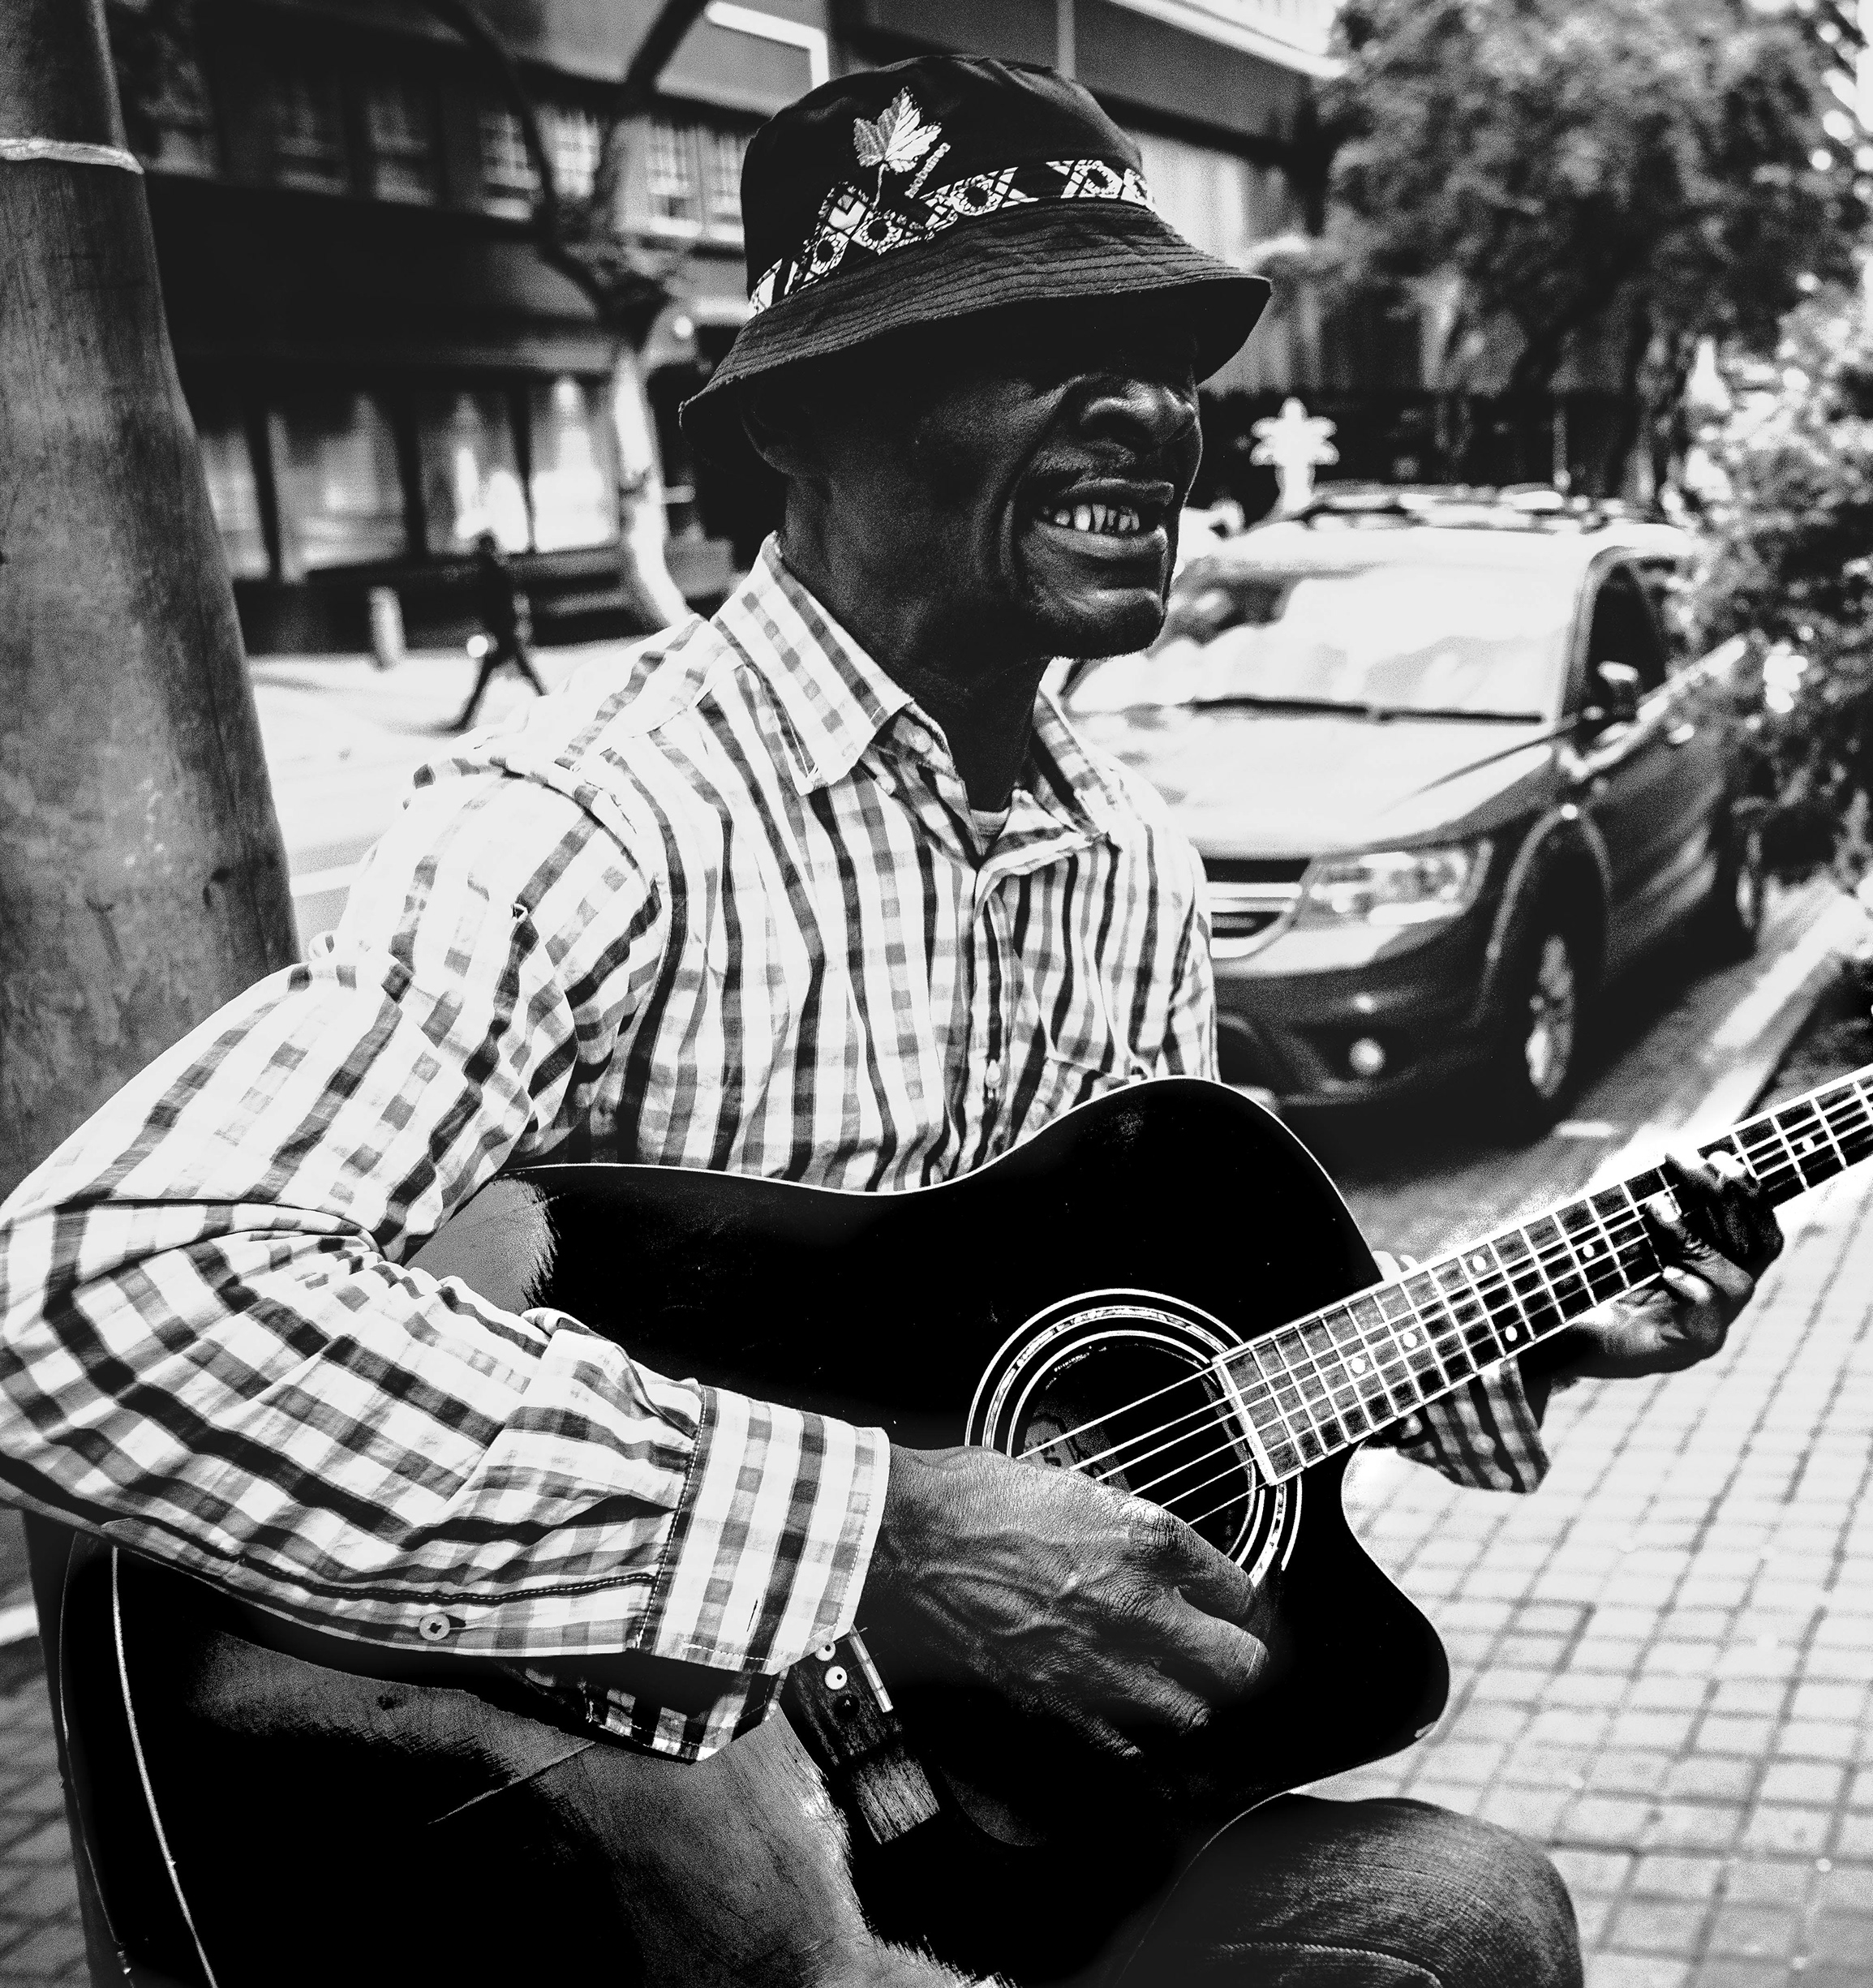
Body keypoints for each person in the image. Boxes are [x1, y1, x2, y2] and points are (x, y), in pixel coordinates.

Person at [0, 57, 1783, 1982]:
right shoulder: (593, 821)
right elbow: (89, 1301)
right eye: (1037, 343)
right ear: (802, 419)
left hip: (991, 1830)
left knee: (1464, 1921)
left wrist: (1514, 1326)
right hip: (618, 1865)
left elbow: (1132, 1353)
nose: (1149, 410)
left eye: (1164, 353)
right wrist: (868, 1537)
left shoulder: (1128, 857)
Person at [450, 527, 548, 732]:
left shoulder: (495, 570)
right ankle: (466, 719)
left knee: (523, 676)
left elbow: (506, 605)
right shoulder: (495, 568)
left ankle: (554, 709)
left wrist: (501, 632)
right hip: (503, 633)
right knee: (521, 676)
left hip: (505, 634)